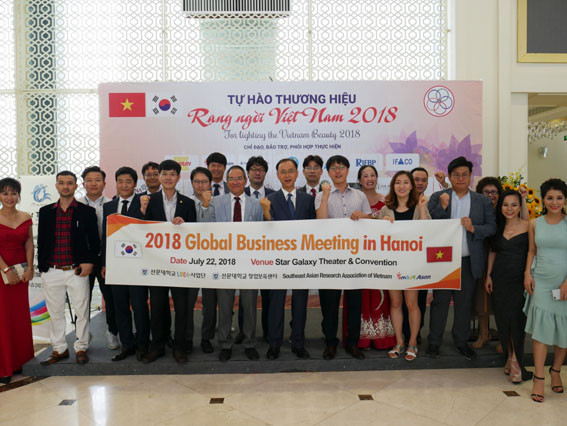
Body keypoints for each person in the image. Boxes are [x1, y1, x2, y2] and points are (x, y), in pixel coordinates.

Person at [426, 156, 496, 360]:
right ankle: (434, 342)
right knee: (440, 302)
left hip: (468, 259)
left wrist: (474, 228)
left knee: (464, 304)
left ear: (470, 176)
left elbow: (492, 228)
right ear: (449, 176)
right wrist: (442, 207)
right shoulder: (438, 197)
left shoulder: (482, 201)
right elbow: (429, 225)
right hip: (443, 260)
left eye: (464, 174)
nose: (460, 178)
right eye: (456, 175)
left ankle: (461, 341)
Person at [38, 171, 100, 366]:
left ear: (76, 186)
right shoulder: (46, 211)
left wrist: (89, 262)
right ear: (56, 186)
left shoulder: (86, 212)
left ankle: (81, 347)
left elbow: (95, 242)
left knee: (82, 311)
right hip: (52, 270)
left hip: (77, 270)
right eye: (62, 183)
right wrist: (42, 266)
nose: (65, 186)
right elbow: (42, 241)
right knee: (55, 313)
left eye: (69, 183)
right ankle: (59, 349)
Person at [315, 155, 372, 360]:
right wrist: (325, 194)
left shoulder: (360, 195)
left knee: (354, 302)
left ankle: (352, 343)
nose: (337, 171)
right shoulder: (321, 195)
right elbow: (321, 221)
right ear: (328, 173)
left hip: (355, 257)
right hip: (330, 257)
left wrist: (362, 216)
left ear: (348, 170)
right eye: (333, 168)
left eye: (341, 167)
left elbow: (370, 220)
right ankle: (330, 342)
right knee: (329, 304)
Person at [139, 160, 197, 364]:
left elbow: (195, 234)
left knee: (181, 307)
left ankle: (179, 347)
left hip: (179, 264)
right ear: (160, 177)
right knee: (157, 307)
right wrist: (142, 211)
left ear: (178, 177)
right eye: (164, 174)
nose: (168, 178)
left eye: (172, 174)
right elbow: (139, 229)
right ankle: (158, 346)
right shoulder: (148, 201)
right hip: (156, 263)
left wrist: (185, 225)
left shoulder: (188, 203)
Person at [259, 158, 315, 359]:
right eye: (283, 172)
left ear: (297, 173)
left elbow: (314, 230)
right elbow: (266, 230)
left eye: (290, 171)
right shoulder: (269, 200)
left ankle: (298, 343)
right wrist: (266, 212)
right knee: (276, 303)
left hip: (301, 260)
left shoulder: (307, 200)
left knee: (300, 303)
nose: (287, 175)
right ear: (277, 175)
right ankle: (274, 344)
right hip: (278, 260)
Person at [210, 165, 263, 362]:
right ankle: (225, 343)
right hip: (224, 261)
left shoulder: (256, 204)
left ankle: (249, 343)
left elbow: (262, 233)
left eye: (239, 178)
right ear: (226, 181)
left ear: (246, 180)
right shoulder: (216, 202)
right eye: (231, 178)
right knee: (225, 305)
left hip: (249, 262)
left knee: (249, 305)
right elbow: (207, 230)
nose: (235, 182)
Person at [378, 171, 430, 361]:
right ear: (393, 186)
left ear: (411, 186)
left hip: (413, 264)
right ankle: (399, 341)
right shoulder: (386, 209)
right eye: (398, 182)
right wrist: (382, 224)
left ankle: (413, 342)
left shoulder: (419, 206)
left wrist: (422, 209)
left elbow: (428, 231)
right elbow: (376, 238)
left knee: (412, 304)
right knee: (396, 303)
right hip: (392, 264)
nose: (401, 186)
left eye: (406, 182)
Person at [524, 178, 567, 403]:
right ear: (543, 199)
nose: (554, 202)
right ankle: (539, 378)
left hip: (564, 282)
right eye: (550, 198)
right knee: (541, 330)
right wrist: (527, 273)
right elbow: (532, 251)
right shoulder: (534, 223)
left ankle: (556, 371)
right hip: (540, 280)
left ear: (565, 200)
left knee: (563, 329)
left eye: (559, 198)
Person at [343, 165, 395, 351]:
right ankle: (360, 338)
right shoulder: (353, 199)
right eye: (365, 176)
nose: (370, 178)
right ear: (359, 179)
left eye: (373, 175)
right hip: (358, 256)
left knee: (380, 295)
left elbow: (391, 226)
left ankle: (381, 337)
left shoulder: (387, 200)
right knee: (360, 297)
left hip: (380, 256)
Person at [101, 167, 150, 362]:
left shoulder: (145, 202)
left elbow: (149, 231)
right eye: (120, 181)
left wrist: (143, 212)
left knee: (139, 306)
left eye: (128, 181)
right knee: (120, 306)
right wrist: (105, 264)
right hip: (116, 266)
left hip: (138, 265)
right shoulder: (109, 206)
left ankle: (143, 345)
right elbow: (105, 237)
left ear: (135, 184)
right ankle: (127, 345)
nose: (124, 185)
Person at [484, 190, 532, 383]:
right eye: (505, 205)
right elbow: (493, 252)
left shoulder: (528, 226)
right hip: (500, 279)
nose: (509, 209)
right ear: (500, 207)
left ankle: (517, 364)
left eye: (514, 205)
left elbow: (533, 252)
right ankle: (510, 356)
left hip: (519, 280)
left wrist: (528, 274)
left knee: (517, 321)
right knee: (503, 321)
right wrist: (489, 275)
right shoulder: (498, 227)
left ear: (520, 207)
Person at [78, 166, 118, 351]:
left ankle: (112, 332)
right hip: (83, 260)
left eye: (97, 180)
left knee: (110, 299)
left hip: (105, 260)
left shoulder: (113, 205)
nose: (93, 183)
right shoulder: (76, 205)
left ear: (104, 183)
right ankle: (83, 335)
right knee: (81, 300)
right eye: (89, 180)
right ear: (83, 183)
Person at [0, 178, 34, 385]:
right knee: (3, 319)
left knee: (20, 318)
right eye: (5, 193)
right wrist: (5, 270)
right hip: (1, 273)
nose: (9, 197)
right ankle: (4, 367)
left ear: (18, 195)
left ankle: (22, 362)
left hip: (21, 273)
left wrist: (30, 268)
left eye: (13, 193)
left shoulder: (25, 217)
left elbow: (29, 242)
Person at [239, 156, 276, 344]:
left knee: (268, 296)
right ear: (248, 173)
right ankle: (243, 331)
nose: (257, 172)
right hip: (244, 254)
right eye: (254, 169)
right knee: (245, 297)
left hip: (268, 254)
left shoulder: (274, 195)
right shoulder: (238, 193)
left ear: (265, 173)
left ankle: (268, 331)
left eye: (261, 169)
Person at [187, 167, 215, 354]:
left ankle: (207, 338)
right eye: (196, 182)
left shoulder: (218, 203)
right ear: (191, 183)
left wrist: (206, 205)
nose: (200, 185)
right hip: (189, 261)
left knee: (210, 303)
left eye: (204, 182)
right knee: (187, 302)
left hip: (211, 261)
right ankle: (187, 338)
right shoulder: (184, 203)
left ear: (210, 183)